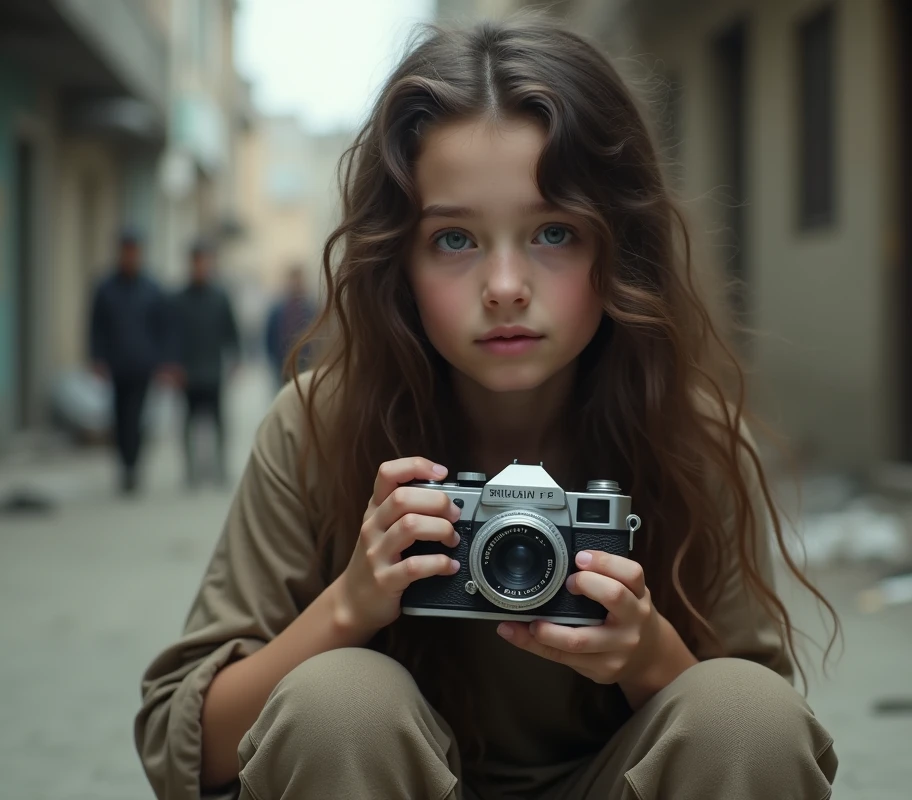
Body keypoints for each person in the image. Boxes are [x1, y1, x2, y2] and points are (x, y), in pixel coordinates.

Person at [134, 17, 840, 800]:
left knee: (743, 714)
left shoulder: (691, 435)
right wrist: (349, 606)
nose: (505, 285)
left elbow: (768, 737)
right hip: (385, 774)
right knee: (338, 704)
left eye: (553, 231)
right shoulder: (317, 426)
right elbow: (186, 750)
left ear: (621, 247)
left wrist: (649, 659)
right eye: (455, 241)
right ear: (396, 258)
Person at [89, 229, 175, 494]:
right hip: (117, 365)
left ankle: (133, 467)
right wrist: (97, 358)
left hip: (143, 365)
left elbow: (163, 328)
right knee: (119, 417)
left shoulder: (151, 288)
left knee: (136, 418)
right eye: (126, 251)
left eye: (134, 251)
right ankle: (124, 465)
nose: (130, 257)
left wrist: (164, 362)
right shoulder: (106, 287)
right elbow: (96, 326)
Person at [171, 240, 241, 487]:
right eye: (197, 262)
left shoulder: (220, 297)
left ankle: (219, 468)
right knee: (188, 424)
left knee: (218, 423)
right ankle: (191, 471)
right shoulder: (179, 299)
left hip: (213, 371)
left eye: (204, 262)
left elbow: (231, 331)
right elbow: (172, 335)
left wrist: (235, 360)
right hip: (188, 373)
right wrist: (173, 365)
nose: (201, 267)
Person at [263, 265, 315, 386]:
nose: (296, 284)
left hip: (305, 362)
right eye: (294, 280)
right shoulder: (278, 309)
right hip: (283, 363)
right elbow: (269, 336)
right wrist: (274, 360)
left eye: (299, 280)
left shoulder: (311, 308)